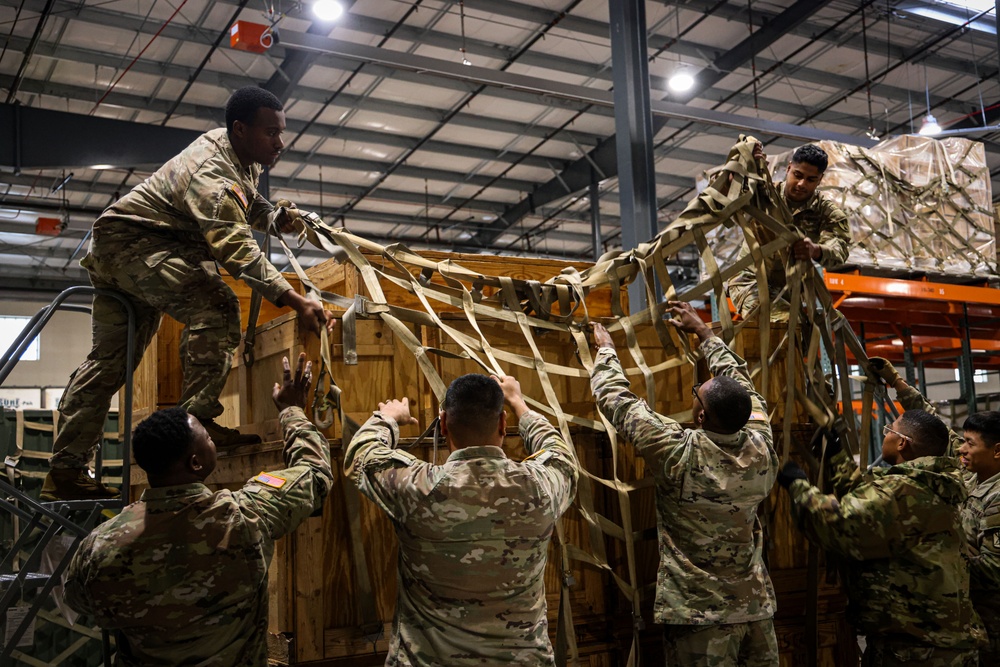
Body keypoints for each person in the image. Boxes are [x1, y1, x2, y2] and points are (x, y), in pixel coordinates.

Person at [43, 85, 333, 501]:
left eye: (282, 132)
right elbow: (235, 247)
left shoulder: (240, 157)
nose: (280, 143)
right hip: (133, 244)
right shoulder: (211, 172)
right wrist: (294, 298)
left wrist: (276, 218)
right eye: (271, 133)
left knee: (110, 363)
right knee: (215, 306)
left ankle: (65, 472)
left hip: (124, 247)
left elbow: (248, 207)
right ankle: (195, 418)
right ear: (240, 129)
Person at [64, 353, 332, 666]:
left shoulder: (99, 544)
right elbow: (315, 472)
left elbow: (78, 601)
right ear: (196, 462)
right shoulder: (242, 516)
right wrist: (291, 411)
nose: (213, 440)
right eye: (208, 438)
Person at [590, 301, 779, 667]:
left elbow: (616, 399)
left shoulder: (679, 453)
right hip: (755, 609)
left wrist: (607, 352)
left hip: (699, 617)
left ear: (701, 415)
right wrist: (707, 335)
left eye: (697, 394)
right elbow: (741, 387)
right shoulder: (761, 446)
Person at [344, 373, 578, 666]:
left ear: (443, 425)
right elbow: (561, 458)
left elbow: (363, 455)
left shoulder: (417, 488)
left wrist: (388, 417)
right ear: (503, 424)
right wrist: (519, 404)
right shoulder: (539, 488)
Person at [777, 407, 986, 666]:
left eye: (889, 430)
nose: (885, 434)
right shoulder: (933, 481)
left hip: (918, 651)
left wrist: (797, 484)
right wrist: (836, 455)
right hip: (939, 641)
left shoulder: (903, 492)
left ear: (902, 443)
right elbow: (871, 499)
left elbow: (837, 525)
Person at [869, 357, 1000, 663]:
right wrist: (895, 381)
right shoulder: (969, 469)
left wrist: (942, 550)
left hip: (991, 623)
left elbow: (994, 573)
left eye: (969, 444)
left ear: (996, 450)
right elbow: (935, 421)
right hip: (960, 614)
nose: (960, 449)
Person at [727, 143, 851, 319]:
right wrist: (742, 167)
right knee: (784, 323)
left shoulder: (827, 213)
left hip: (790, 291)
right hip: (750, 281)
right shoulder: (765, 195)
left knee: (799, 333)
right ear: (789, 168)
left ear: (820, 179)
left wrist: (815, 250)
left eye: (810, 179)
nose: (801, 184)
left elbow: (839, 248)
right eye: (797, 175)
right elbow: (728, 196)